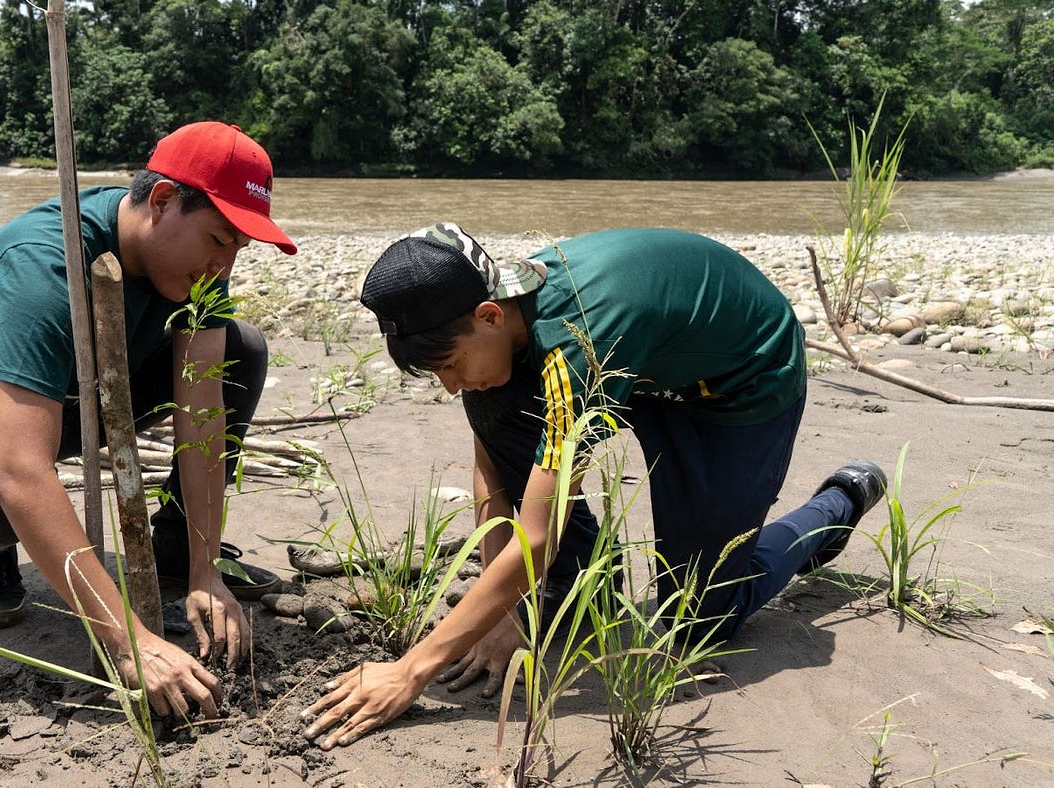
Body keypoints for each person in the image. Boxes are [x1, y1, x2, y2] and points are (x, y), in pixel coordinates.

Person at [300, 223, 888, 748]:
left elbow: (532, 537)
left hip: (738, 380)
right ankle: (576, 584)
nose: (451, 386)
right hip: (649, 366)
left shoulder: (572, 348)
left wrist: (411, 670)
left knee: (700, 616)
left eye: (450, 366)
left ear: (489, 314)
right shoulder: (504, 320)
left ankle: (837, 503)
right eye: (437, 375)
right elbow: (491, 466)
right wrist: (507, 611)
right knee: (495, 406)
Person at [0, 122, 296, 719]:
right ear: (161, 202)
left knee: (243, 348)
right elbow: (21, 472)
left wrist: (206, 568)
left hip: (90, 387)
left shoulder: (203, 263)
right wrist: (128, 640)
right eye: (218, 239)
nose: (225, 262)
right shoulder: (44, 267)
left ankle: (179, 549)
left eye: (239, 247)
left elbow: (202, 409)